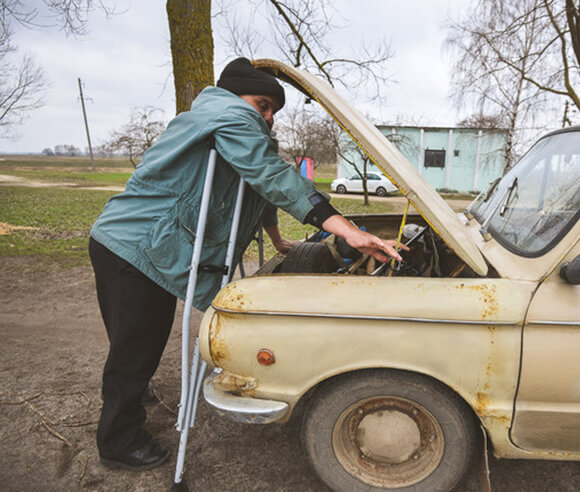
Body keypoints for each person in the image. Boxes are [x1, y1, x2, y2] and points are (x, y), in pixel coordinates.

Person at [89, 57, 402, 471]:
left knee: (132, 340)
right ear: (237, 95)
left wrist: (276, 239)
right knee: (136, 345)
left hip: (124, 240)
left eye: (273, 110)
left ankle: (129, 389)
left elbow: (254, 187)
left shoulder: (220, 119)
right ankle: (118, 440)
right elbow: (271, 176)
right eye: (263, 104)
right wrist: (346, 230)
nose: (269, 117)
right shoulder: (231, 115)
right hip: (137, 246)